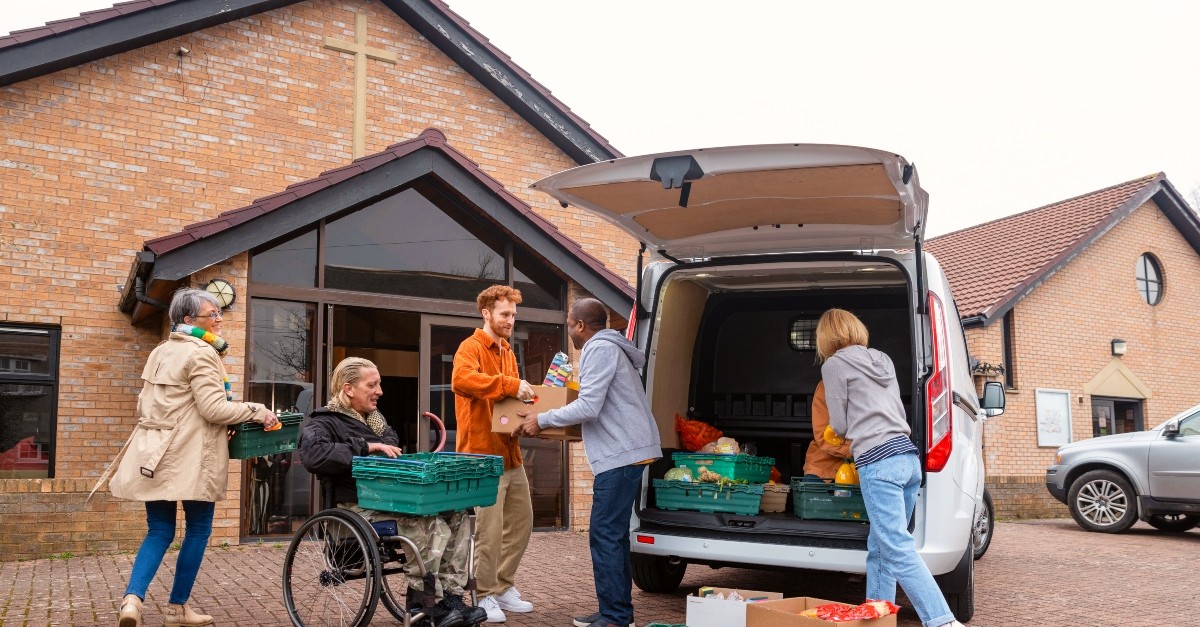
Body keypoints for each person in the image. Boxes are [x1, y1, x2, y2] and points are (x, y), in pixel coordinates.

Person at [108, 287, 280, 627]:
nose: (219, 319)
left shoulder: (160, 351)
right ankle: (176, 609)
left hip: (153, 454)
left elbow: (144, 405)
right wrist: (257, 411)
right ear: (189, 320)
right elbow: (214, 409)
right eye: (211, 314)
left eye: (218, 313)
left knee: (158, 531)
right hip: (191, 455)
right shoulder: (201, 353)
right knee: (199, 529)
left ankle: (132, 599)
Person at [298, 357, 487, 627]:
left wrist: (376, 443)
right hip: (354, 508)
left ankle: (452, 598)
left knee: (456, 514)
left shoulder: (376, 422)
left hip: (390, 501)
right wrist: (366, 446)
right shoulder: (323, 421)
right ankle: (423, 606)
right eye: (372, 385)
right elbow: (314, 455)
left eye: (380, 384)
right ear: (349, 388)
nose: (380, 391)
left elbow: (390, 441)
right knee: (426, 523)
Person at [513, 298, 662, 627]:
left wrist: (543, 419)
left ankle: (615, 617)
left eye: (569, 323)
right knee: (614, 535)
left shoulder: (599, 349)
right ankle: (616, 610)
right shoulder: (612, 347)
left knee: (604, 534)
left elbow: (589, 406)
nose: (569, 330)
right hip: (629, 452)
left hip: (620, 456)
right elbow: (598, 405)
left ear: (580, 325)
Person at [817, 308, 963, 627]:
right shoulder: (883, 358)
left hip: (878, 461)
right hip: (907, 459)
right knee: (882, 544)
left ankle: (942, 621)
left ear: (825, 337)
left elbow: (840, 422)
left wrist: (836, 430)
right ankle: (877, 615)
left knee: (896, 546)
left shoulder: (834, 364)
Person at [451, 285, 537, 623]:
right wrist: (510, 385)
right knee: (488, 531)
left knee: (522, 524)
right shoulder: (469, 347)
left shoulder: (508, 352)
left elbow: (507, 402)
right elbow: (462, 379)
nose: (510, 320)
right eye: (505, 314)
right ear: (486, 313)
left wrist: (526, 408)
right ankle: (483, 595)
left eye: (514, 315)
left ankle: (502, 586)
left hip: (509, 454)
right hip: (480, 455)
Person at [802, 381, 853, 481]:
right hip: (824, 467)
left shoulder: (876, 384)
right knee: (811, 492)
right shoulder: (827, 385)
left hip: (867, 468)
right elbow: (824, 436)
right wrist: (860, 450)